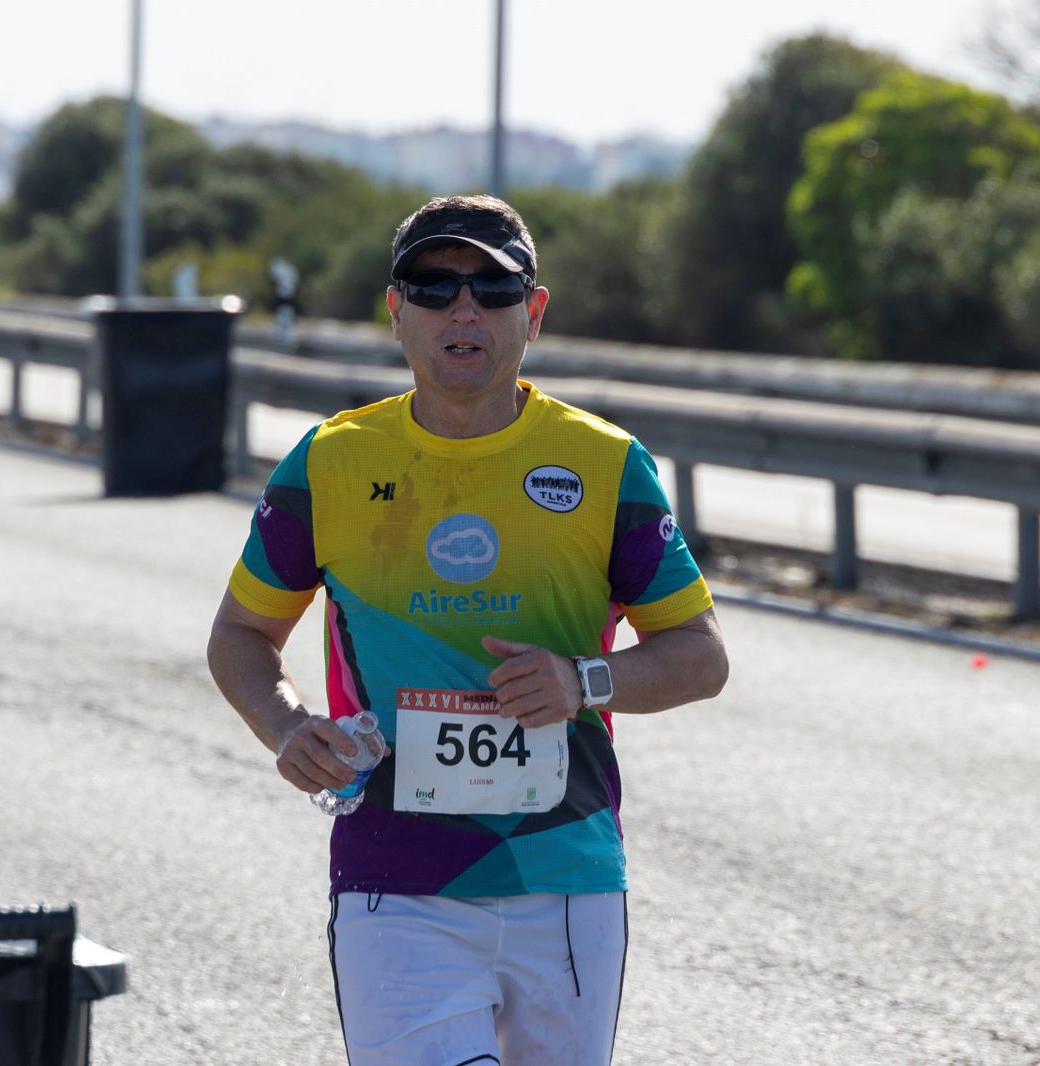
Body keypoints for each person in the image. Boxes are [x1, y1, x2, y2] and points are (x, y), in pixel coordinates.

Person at [207, 194, 729, 1065]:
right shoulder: (332, 462)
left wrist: (582, 682)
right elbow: (239, 634)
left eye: (493, 289)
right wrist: (287, 726)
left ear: (535, 312)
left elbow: (701, 656)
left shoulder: (604, 463)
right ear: (396, 309)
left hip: (566, 876)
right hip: (395, 878)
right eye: (435, 285)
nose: (464, 310)